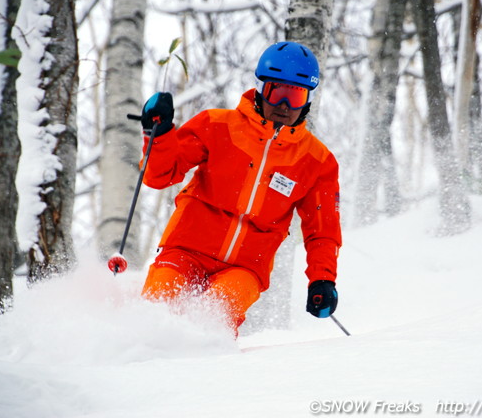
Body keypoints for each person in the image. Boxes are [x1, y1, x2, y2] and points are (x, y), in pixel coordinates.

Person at [135, 41, 341, 333]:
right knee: (161, 302)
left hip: (244, 269)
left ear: (307, 100)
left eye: (295, 96)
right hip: (185, 250)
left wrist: (322, 279)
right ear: (260, 89)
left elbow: (323, 231)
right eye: (277, 92)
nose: (284, 106)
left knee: (218, 313)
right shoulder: (217, 125)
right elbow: (160, 176)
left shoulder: (317, 161)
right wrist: (159, 133)